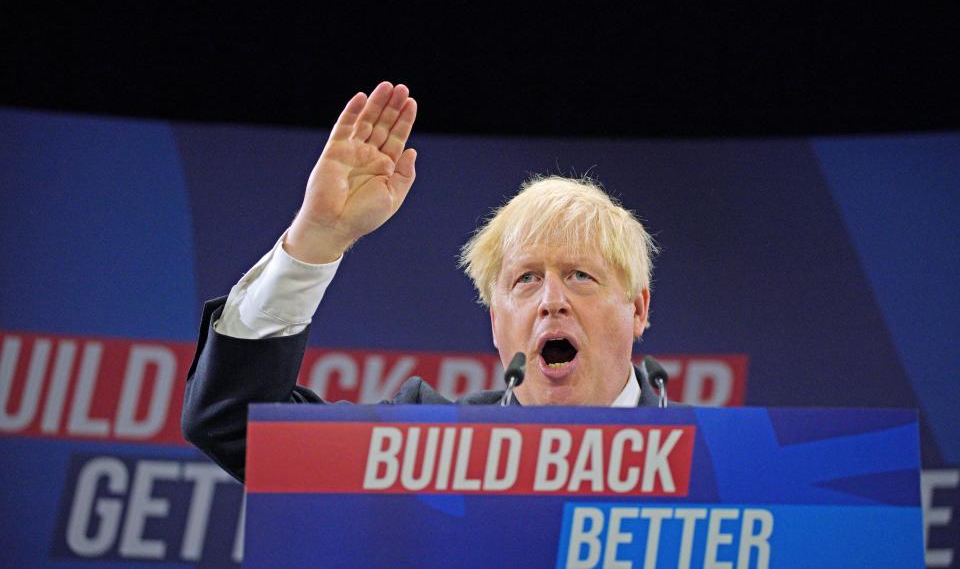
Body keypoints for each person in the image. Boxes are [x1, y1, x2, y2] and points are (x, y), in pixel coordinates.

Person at [182, 82, 667, 482]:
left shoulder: (723, 458)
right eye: (526, 280)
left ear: (638, 309)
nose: (551, 302)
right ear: (497, 321)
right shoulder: (430, 448)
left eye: (580, 276)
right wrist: (314, 242)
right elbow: (235, 424)